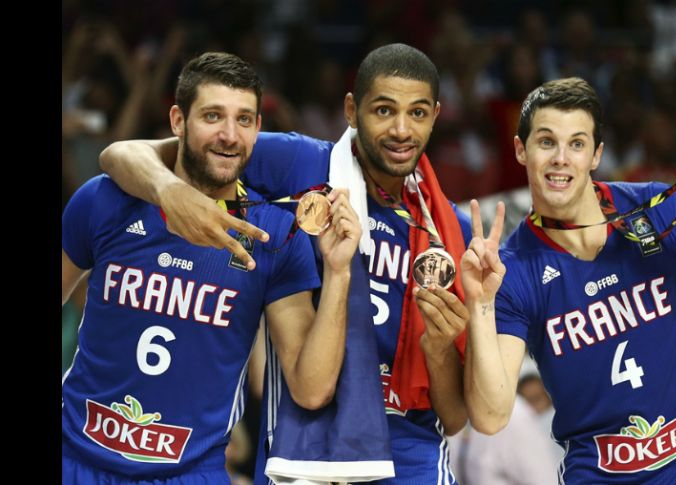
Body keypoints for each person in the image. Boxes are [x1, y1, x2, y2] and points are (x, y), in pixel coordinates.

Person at [99, 44, 474, 484]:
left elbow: (454, 419)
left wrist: (442, 347)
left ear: (436, 116)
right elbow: (124, 155)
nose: (400, 129)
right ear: (351, 110)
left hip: (413, 456)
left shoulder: (449, 232)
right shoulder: (301, 162)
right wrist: (170, 191)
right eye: (384, 110)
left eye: (418, 113)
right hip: (306, 448)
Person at [62, 52, 362, 483]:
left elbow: (311, 389)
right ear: (177, 120)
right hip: (76, 458)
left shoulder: (275, 235)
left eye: (244, 119)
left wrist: (338, 273)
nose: (229, 135)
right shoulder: (105, 200)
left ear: (259, 128)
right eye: (212, 116)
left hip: (189, 472)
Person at [462, 77, 676, 483]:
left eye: (576, 144)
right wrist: (480, 303)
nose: (561, 158)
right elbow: (489, 417)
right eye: (546, 142)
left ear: (596, 155)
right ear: (521, 150)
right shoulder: (512, 271)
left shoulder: (664, 213)